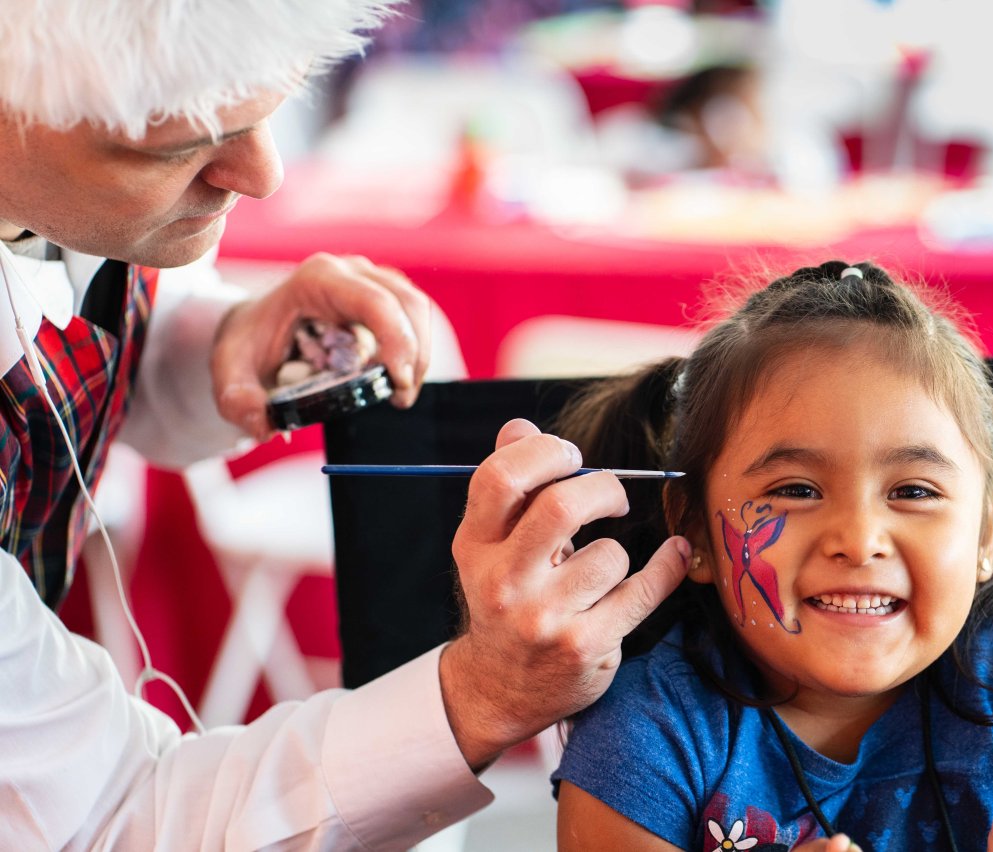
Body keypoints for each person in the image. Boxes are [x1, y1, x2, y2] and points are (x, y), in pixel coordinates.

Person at [0, 1, 688, 848]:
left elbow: (66, 302)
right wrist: (477, 697)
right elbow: (113, 816)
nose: (264, 175)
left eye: (269, 109)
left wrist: (219, 345)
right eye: (174, 146)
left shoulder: (59, 178)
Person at [551, 261, 993, 850]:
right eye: (796, 490)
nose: (859, 539)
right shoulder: (646, 729)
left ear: (984, 534)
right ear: (693, 530)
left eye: (913, 491)